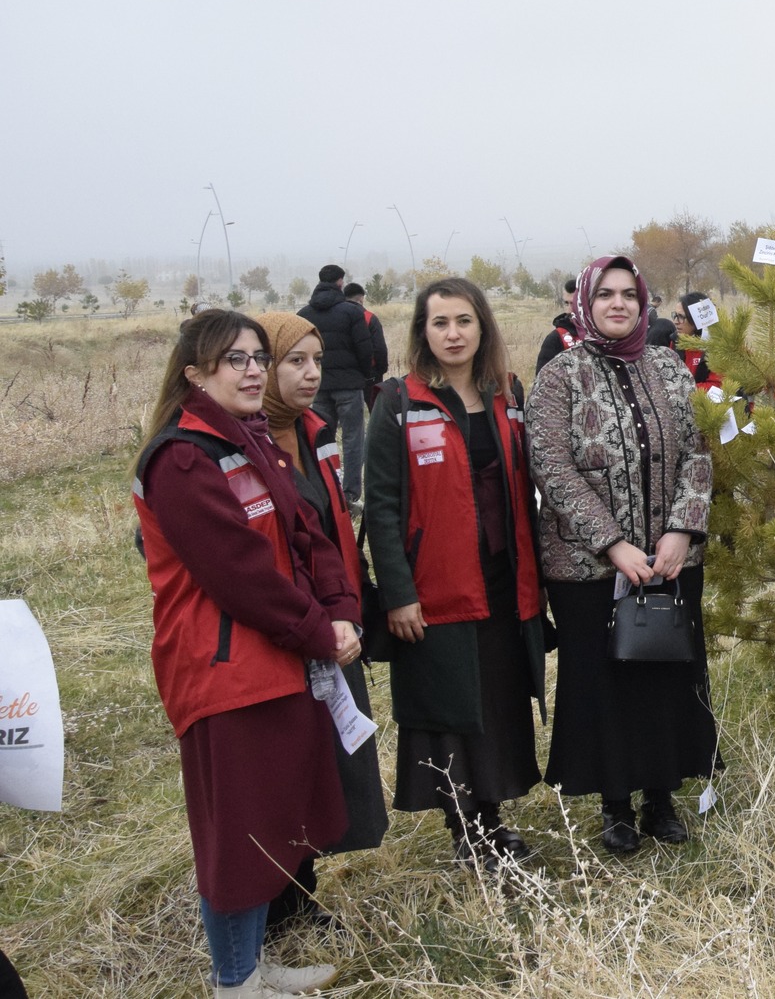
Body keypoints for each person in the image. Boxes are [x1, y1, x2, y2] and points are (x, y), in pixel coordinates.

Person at [132, 310, 357, 996]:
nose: (254, 369)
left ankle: (253, 964)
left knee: (272, 819)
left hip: (278, 659)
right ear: (195, 374)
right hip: (223, 668)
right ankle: (234, 979)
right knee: (238, 832)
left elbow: (308, 533)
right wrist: (319, 632)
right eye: (235, 359)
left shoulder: (252, 440)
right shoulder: (182, 458)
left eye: (259, 356)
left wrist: (342, 608)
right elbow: (240, 573)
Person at [528, 256, 717, 855]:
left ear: (643, 303)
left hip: (668, 560)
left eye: (628, 295)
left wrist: (682, 530)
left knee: (665, 674)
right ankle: (615, 802)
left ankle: (661, 795)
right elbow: (551, 466)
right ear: (585, 303)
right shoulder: (560, 376)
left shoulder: (668, 366)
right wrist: (612, 543)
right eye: (605, 294)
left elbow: (698, 450)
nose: (618, 304)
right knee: (604, 681)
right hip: (588, 566)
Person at [363, 278, 546, 866]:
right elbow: (382, 506)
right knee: (451, 704)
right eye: (439, 322)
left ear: (482, 326)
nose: (453, 333)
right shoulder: (398, 401)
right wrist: (398, 592)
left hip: (503, 578)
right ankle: (469, 829)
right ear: (423, 332)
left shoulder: (508, 393)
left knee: (496, 699)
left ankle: (492, 814)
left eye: (464, 321)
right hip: (436, 584)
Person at [253, 312, 388, 938]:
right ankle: (277, 905)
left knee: (328, 761)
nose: (312, 375)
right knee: (287, 768)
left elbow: (331, 528)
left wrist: (349, 608)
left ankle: (300, 894)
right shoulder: (236, 446)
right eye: (295, 361)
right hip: (285, 633)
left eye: (317, 361)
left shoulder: (313, 432)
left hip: (333, 626)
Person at [298, 264, 378, 504]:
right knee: (353, 438)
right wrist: (365, 376)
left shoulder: (304, 314)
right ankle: (350, 494)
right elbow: (364, 348)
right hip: (349, 385)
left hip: (318, 385)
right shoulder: (352, 312)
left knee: (322, 438)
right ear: (341, 282)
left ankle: (325, 489)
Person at [341, 282, 389, 404]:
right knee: (375, 406)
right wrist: (381, 370)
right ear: (361, 298)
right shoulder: (369, 317)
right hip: (370, 372)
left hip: (344, 373)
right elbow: (379, 348)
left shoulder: (338, 317)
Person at [676, 291, 721, 390]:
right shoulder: (675, 342)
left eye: (681, 317)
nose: (676, 321)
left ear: (696, 319)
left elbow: (717, 386)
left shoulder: (716, 348)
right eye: (675, 315)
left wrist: (682, 392)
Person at [536, 278, 581, 375]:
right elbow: (541, 380)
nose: (569, 310)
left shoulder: (603, 335)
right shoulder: (555, 339)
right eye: (566, 303)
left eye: (575, 304)